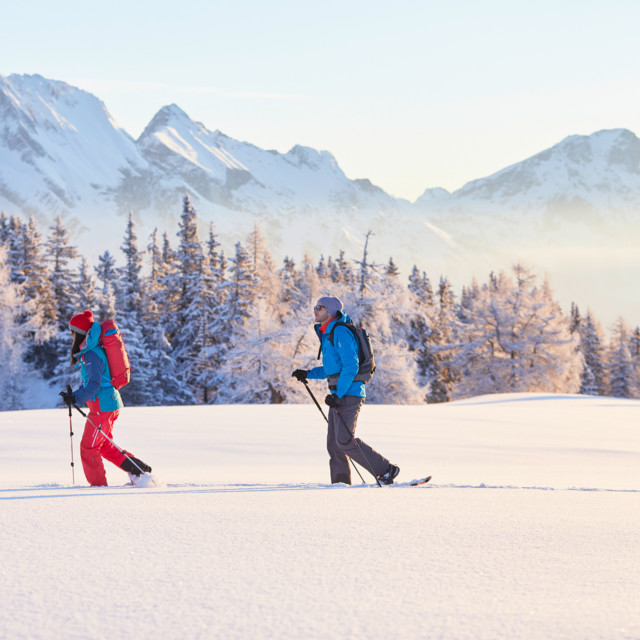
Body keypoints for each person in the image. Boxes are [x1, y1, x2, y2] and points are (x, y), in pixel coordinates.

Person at [292, 296, 399, 485]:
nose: (315, 310)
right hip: (338, 394)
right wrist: (307, 373)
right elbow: (332, 369)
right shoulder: (328, 333)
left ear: (331, 310)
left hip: (349, 394)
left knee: (344, 441)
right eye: (315, 307)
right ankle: (340, 484)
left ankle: (387, 470)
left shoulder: (340, 331)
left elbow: (351, 366)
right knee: (334, 444)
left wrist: (338, 394)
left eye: (320, 307)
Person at [59, 310, 151, 486]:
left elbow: (94, 384)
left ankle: (98, 490)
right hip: (106, 404)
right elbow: (95, 382)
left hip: (103, 407)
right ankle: (140, 473)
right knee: (104, 446)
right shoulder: (92, 351)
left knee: (88, 448)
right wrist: (74, 395)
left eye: (73, 332)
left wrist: (75, 397)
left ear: (80, 333)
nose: (71, 336)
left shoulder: (91, 354)